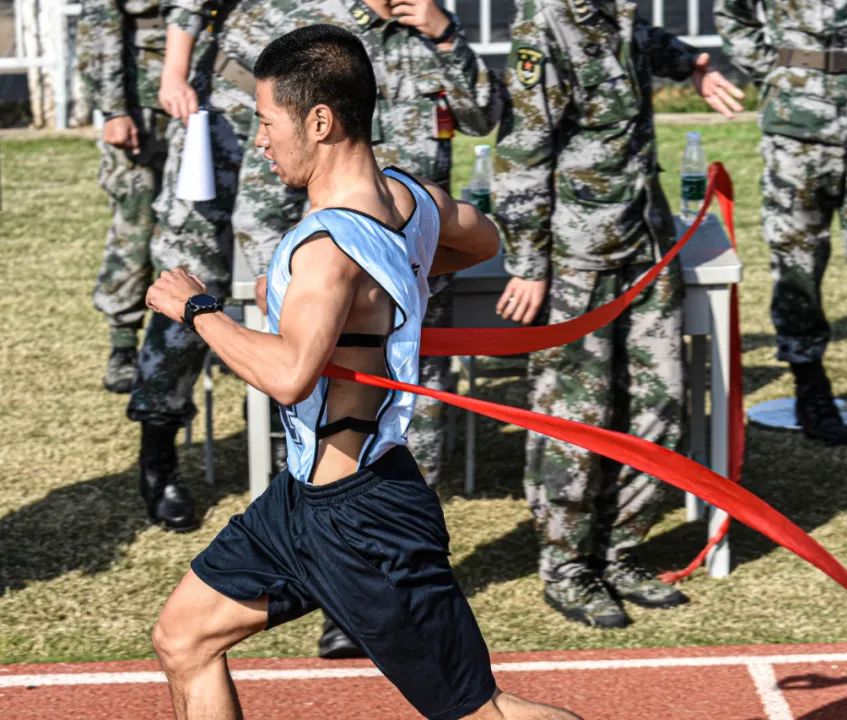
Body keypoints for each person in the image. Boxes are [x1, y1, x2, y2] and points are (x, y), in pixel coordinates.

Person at [146, 25, 579, 720]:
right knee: (183, 639)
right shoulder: (409, 199)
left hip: (365, 519)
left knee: (481, 712)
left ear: (319, 121)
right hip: (302, 503)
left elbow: (290, 375)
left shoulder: (325, 250)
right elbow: (483, 239)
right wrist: (386, 282)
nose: (260, 141)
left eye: (267, 121)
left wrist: (197, 309)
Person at [494, 0, 744, 628]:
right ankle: (567, 566)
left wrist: (692, 65)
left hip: (645, 245)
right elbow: (522, 150)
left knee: (657, 405)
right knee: (575, 417)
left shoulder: (620, 13)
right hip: (578, 259)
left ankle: (620, 550)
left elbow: (647, 42)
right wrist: (528, 261)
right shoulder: (544, 25)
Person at [317, 0, 505, 660]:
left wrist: (447, 35)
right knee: (341, 445)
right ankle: (347, 600)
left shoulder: (436, 30)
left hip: (418, 279)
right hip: (340, 282)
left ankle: (404, 591)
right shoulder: (328, 36)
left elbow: (487, 117)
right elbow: (281, 150)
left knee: (414, 441)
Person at [128, 0, 357, 532]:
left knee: (287, 288)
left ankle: (284, 445)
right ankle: (158, 457)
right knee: (187, 284)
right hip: (221, 118)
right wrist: (174, 75)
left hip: (304, 128)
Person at [715, 0, 847, 445]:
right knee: (797, 265)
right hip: (796, 130)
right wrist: (776, 72)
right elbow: (732, 14)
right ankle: (810, 384)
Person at [76, 0, 170, 394]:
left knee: (196, 225)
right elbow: (100, 22)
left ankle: (186, 336)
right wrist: (114, 110)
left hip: (208, 98)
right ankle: (123, 343)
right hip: (141, 105)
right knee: (136, 224)